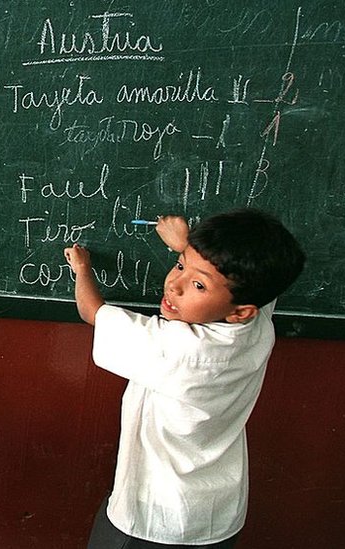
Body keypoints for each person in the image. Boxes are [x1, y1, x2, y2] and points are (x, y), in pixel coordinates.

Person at [63, 208, 305, 548]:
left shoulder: (180, 351)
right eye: (179, 266)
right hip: (216, 514)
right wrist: (188, 249)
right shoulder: (255, 320)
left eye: (197, 285)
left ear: (239, 311)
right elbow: (238, 277)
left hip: (153, 520)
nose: (174, 285)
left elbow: (92, 313)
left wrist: (82, 268)